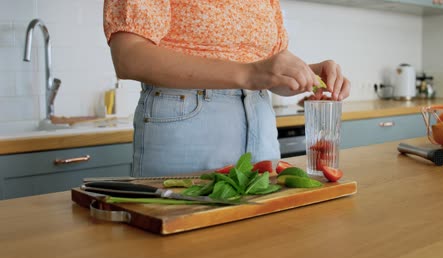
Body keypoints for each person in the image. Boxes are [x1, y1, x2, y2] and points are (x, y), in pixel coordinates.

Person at [103, 0, 350, 177]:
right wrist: (250, 74)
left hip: (261, 128)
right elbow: (128, 57)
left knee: (262, 241)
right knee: (182, 240)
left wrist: (309, 74)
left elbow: (265, 73)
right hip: (187, 126)